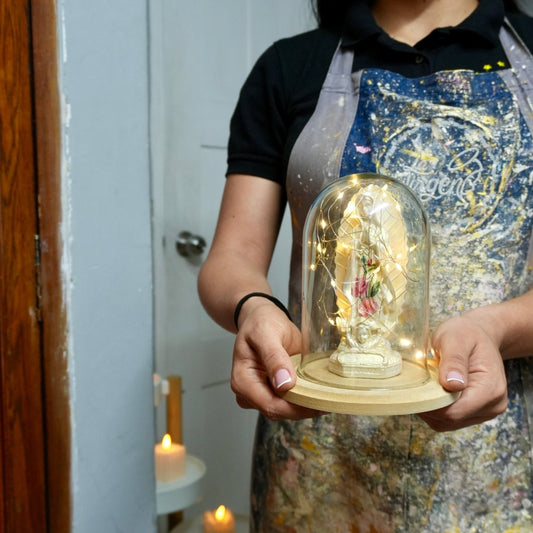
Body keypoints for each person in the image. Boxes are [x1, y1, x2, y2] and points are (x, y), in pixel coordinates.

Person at [198, 0, 533, 531]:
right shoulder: (292, 67)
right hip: (321, 453)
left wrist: (495, 328)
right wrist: (253, 308)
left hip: (490, 448)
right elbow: (231, 259)